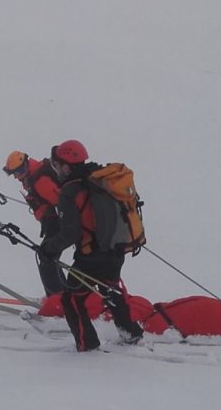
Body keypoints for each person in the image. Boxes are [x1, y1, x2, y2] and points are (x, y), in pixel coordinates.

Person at [40, 140, 145, 351]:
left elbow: (71, 233)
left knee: (72, 301)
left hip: (90, 258)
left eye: (58, 165)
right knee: (111, 290)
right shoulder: (99, 178)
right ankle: (130, 333)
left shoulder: (69, 192)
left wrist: (49, 248)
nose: (57, 170)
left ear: (67, 165)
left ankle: (86, 345)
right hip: (115, 250)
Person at [2, 150, 65, 296]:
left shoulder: (40, 180)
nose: (17, 177)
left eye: (19, 171)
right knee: (49, 258)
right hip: (54, 222)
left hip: (58, 223)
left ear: (25, 166)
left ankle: (58, 299)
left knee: (46, 259)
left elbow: (61, 202)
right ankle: (63, 294)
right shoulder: (34, 175)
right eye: (13, 174)